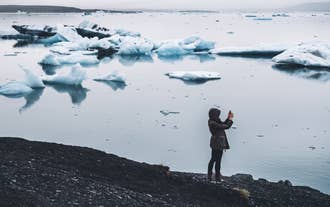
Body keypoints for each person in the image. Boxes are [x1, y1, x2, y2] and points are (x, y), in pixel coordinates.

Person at [207, 108, 234, 182]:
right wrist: (230, 119)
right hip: (217, 143)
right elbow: (225, 126)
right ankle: (214, 176)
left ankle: (215, 176)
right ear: (214, 115)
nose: (219, 116)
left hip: (218, 143)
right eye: (218, 115)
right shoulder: (212, 123)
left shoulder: (214, 121)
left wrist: (228, 118)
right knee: (215, 159)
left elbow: (223, 124)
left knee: (216, 160)